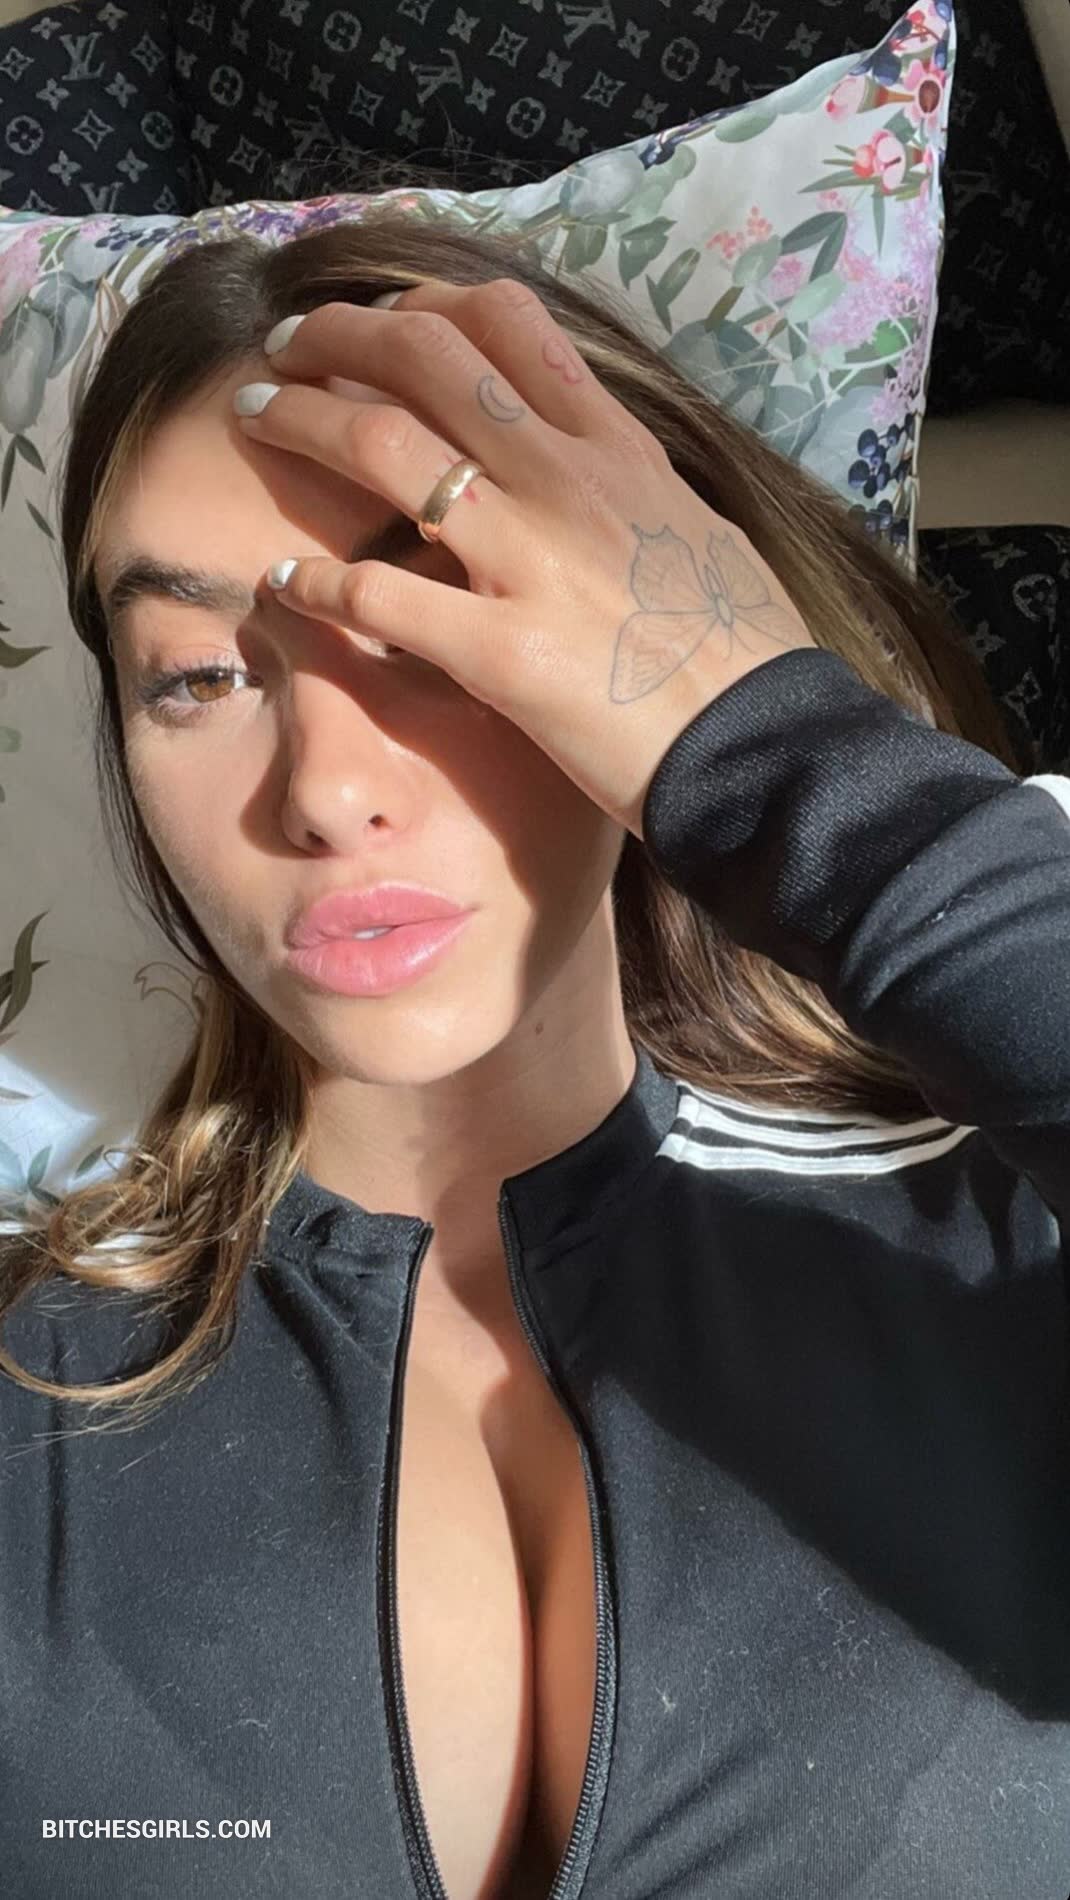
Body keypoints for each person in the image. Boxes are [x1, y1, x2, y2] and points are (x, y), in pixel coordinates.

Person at [1, 177, 1068, 1900]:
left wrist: (767, 745)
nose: (326, 789)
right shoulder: (34, 1377)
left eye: (428, 624)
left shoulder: (1000, 1227)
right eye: (195, 674)